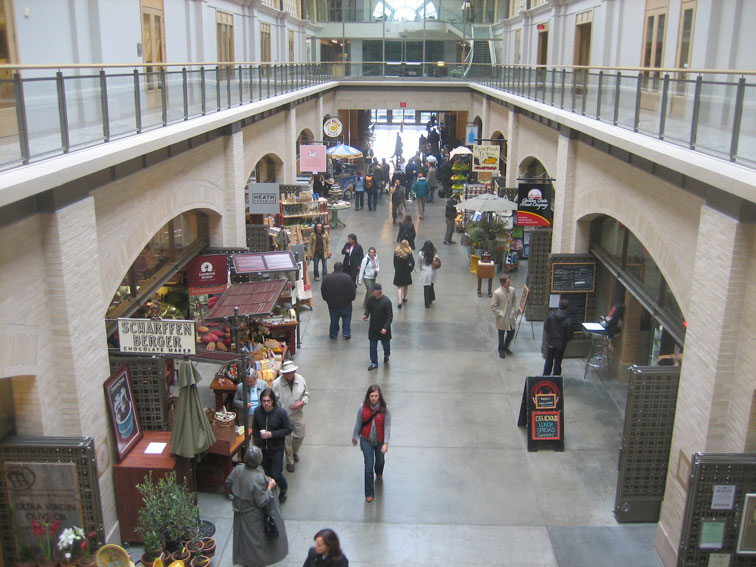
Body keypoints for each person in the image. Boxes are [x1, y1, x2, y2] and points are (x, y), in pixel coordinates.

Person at [225, 446, 288, 567]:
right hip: (253, 517)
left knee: (243, 541)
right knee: (255, 544)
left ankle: (245, 561)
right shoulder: (258, 478)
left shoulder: (238, 469)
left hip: (240, 513)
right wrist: (269, 487)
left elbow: (228, 482)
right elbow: (262, 501)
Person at [252, 388, 293, 503]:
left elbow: (288, 429)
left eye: (268, 401)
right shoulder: (257, 411)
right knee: (268, 473)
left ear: (273, 401)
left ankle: (283, 488)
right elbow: (255, 427)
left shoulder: (281, 413)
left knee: (276, 473)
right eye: (263, 401)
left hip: (277, 448)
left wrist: (272, 434)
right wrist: (257, 440)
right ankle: (271, 491)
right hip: (264, 449)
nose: (266, 404)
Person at [351, 385, 391, 502]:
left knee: (379, 461)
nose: (374, 398)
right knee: (368, 466)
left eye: (376, 396)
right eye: (372, 396)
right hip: (366, 440)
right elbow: (358, 423)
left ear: (379, 396)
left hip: (380, 441)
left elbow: (387, 426)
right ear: (368, 396)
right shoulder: (362, 408)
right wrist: (355, 436)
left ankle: (379, 472)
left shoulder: (385, 409)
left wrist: (386, 443)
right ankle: (369, 493)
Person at [272, 360, 309, 473]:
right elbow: (273, 400)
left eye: (291, 372)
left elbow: (306, 394)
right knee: (286, 439)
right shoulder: (277, 384)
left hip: (297, 414)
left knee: (300, 435)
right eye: (286, 373)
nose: (289, 375)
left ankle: (293, 451)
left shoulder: (301, 380)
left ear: (294, 371)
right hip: (284, 416)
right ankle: (290, 461)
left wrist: (301, 402)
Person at [320, 262, 357, 340]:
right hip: (346, 303)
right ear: (342, 268)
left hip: (333, 304)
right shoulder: (347, 278)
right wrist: (351, 299)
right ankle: (346, 332)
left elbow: (323, 290)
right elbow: (352, 290)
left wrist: (327, 299)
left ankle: (333, 334)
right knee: (347, 318)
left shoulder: (327, 278)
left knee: (334, 319)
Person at [363, 284, 393, 370]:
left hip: (383, 329)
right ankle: (374, 362)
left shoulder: (386, 301)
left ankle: (386, 354)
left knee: (385, 345)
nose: (372, 291)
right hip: (373, 327)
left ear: (379, 291)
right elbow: (368, 308)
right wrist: (366, 315)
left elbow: (389, 316)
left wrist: (385, 328)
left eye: (373, 290)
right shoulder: (371, 299)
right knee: (373, 346)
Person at [542, 298, 574, 376]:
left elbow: (546, 327)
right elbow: (569, 335)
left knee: (549, 360)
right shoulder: (568, 320)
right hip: (561, 344)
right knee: (558, 361)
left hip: (551, 342)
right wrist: (566, 339)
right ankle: (556, 378)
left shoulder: (551, 316)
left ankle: (545, 376)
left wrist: (550, 334)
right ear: (567, 308)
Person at [490, 275, 518, 359]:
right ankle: (501, 349)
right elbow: (493, 306)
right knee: (501, 334)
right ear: (503, 283)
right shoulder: (497, 293)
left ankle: (506, 346)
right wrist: (501, 314)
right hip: (502, 318)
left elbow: (514, 300)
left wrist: (513, 310)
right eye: (507, 282)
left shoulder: (512, 290)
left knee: (511, 332)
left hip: (510, 316)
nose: (509, 283)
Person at [392, 240, 414, 309]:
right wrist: (410, 270)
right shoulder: (409, 253)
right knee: (405, 286)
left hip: (399, 272)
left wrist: (397, 269)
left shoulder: (397, 253)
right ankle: (404, 298)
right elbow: (412, 262)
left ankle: (399, 301)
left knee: (399, 287)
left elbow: (394, 262)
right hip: (406, 272)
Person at [418, 241, 438, 308]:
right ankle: (431, 298)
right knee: (431, 285)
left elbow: (420, 263)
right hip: (432, 271)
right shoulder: (434, 253)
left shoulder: (421, 253)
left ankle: (427, 303)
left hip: (425, 272)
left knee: (426, 287)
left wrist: (420, 268)